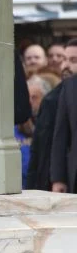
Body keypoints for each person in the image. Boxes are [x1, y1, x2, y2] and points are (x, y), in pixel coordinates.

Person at [49, 40, 77, 192]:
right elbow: (61, 134)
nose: (66, 65)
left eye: (74, 60)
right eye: (65, 59)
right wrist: (58, 178)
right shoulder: (70, 87)